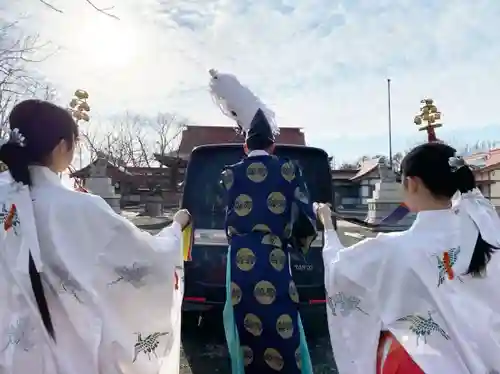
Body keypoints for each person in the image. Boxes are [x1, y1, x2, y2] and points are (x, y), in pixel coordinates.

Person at [0, 99, 190, 374]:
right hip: (66, 353)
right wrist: (175, 229)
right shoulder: (79, 208)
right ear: (62, 146)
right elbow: (146, 260)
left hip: (11, 349)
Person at [316, 141, 500, 374]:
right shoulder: (488, 234)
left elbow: (339, 269)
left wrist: (329, 230)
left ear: (411, 184)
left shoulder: (394, 250)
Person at [209, 69, 318, 374]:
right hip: (275, 256)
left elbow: (222, 210)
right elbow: (304, 215)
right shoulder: (288, 169)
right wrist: (299, 244)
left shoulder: (229, 173)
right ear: (273, 146)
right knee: (283, 319)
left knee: (242, 324)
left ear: (245, 146)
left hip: (239, 257)